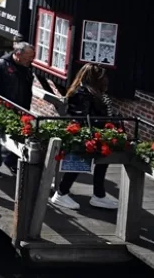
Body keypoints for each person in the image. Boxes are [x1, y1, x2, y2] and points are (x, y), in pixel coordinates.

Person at [51, 64, 117, 211]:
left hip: (98, 132)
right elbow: (80, 116)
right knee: (79, 161)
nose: (106, 80)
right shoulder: (81, 93)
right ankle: (61, 192)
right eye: (103, 77)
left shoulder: (96, 92)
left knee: (103, 160)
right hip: (84, 134)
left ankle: (99, 195)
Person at [0, 42, 36, 178]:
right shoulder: (1, 65)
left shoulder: (27, 67)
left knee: (18, 136)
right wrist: (1, 106)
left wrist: (26, 109)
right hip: (2, 108)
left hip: (21, 108)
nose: (31, 59)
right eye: (28, 56)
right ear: (18, 54)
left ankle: (11, 162)